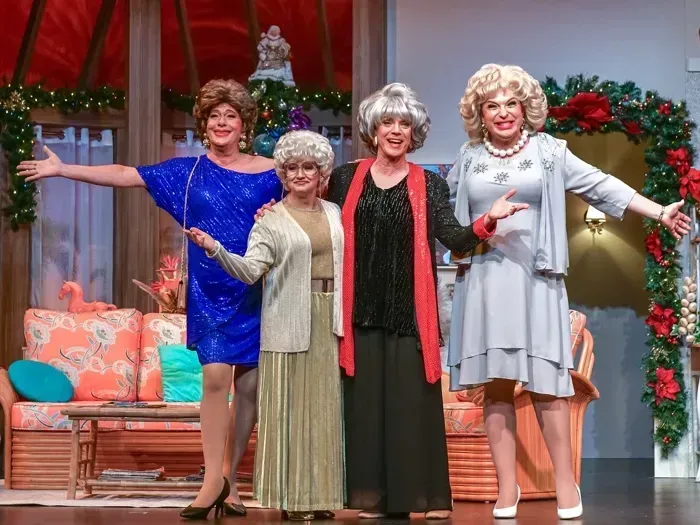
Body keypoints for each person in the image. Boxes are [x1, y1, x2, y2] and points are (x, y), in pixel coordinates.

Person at [18, 79, 283, 520]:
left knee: (250, 387)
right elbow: (127, 174)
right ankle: (211, 482)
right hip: (210, 291)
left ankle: (230, 479)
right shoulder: (188, 173)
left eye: (230, 116)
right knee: (216, 378)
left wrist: (278, 212)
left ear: (244, 124)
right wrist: (64, 169)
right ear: (204, 124)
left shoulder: (273, 171)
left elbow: (309, 197)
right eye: (214, 116)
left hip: (258, 288)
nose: (221, 122)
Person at [445, 63, 691, 520]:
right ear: (480, 112)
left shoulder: (549, 151)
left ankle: (564, 481)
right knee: (496, 387)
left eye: (511, 103)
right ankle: (506, 488)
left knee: (548, 385)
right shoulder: (469, 156)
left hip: (537, 281)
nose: (503, 113)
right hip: (483, 282)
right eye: (492, 106)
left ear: (525, 108)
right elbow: (445, 219)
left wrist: (659, 211)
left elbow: (600, 184)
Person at [323, 82, 527, 521]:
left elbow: (454, 239)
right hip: (358, 312)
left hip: (409, 315)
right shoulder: (344, 179)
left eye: (404, 124)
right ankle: (371, 498)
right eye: (388, 122)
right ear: (373, 129)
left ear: (414, 133)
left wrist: (488, 219)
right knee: (364, 411)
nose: (396, 130)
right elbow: (321, 227)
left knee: (410, 409)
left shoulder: (428, 183)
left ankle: (423, 498)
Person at [185, 130, 344, 521]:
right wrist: (216, 249)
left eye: (309, 167)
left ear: (321, 172)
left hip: (329, 318)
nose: (301, 174)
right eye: (292, 168)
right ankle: (291, 499)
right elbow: (250, 270)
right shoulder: (270, 219)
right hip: (287, 319)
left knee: (323, 411)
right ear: (283, 174)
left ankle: (319, 496)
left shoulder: (334, 212)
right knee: (290, 415)